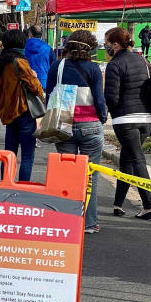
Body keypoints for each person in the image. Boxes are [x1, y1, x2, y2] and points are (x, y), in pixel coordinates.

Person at [46, 30, 108, 233]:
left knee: (67, 175)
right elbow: (99, 99)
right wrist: (103, 117)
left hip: (64, 122)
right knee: (91, 177)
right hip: (90, 125)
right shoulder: (93, 68)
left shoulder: (58, 66)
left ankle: (66, 220)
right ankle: (89, 223)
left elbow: (49, 94)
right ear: (90, 47)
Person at [104, 27, 151, 220]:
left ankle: (148, 207)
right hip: (146, 118)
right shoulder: (142, 60)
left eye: (107, 44)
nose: (106, 47)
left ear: (116, 44)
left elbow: (111, 96)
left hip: (126, 119)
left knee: (137, 160)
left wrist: (111, 110)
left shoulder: (115, 65)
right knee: (127, 160)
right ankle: (118, 204)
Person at [0, 29, 45, 182]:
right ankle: (23, 188)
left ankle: (5, 184)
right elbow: (36, 88)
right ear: (21, 43)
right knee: (27, 155)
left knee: (8, 154)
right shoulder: (21, 62)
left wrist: (4, 106)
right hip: (25, 113)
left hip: (8, 114)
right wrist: (34, 76)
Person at [23, 24, 56, 91]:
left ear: (30, 34)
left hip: (27, 83)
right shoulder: (48, 48)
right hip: (44, 82)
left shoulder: (23, 47)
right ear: (41, 35)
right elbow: (54, 66)